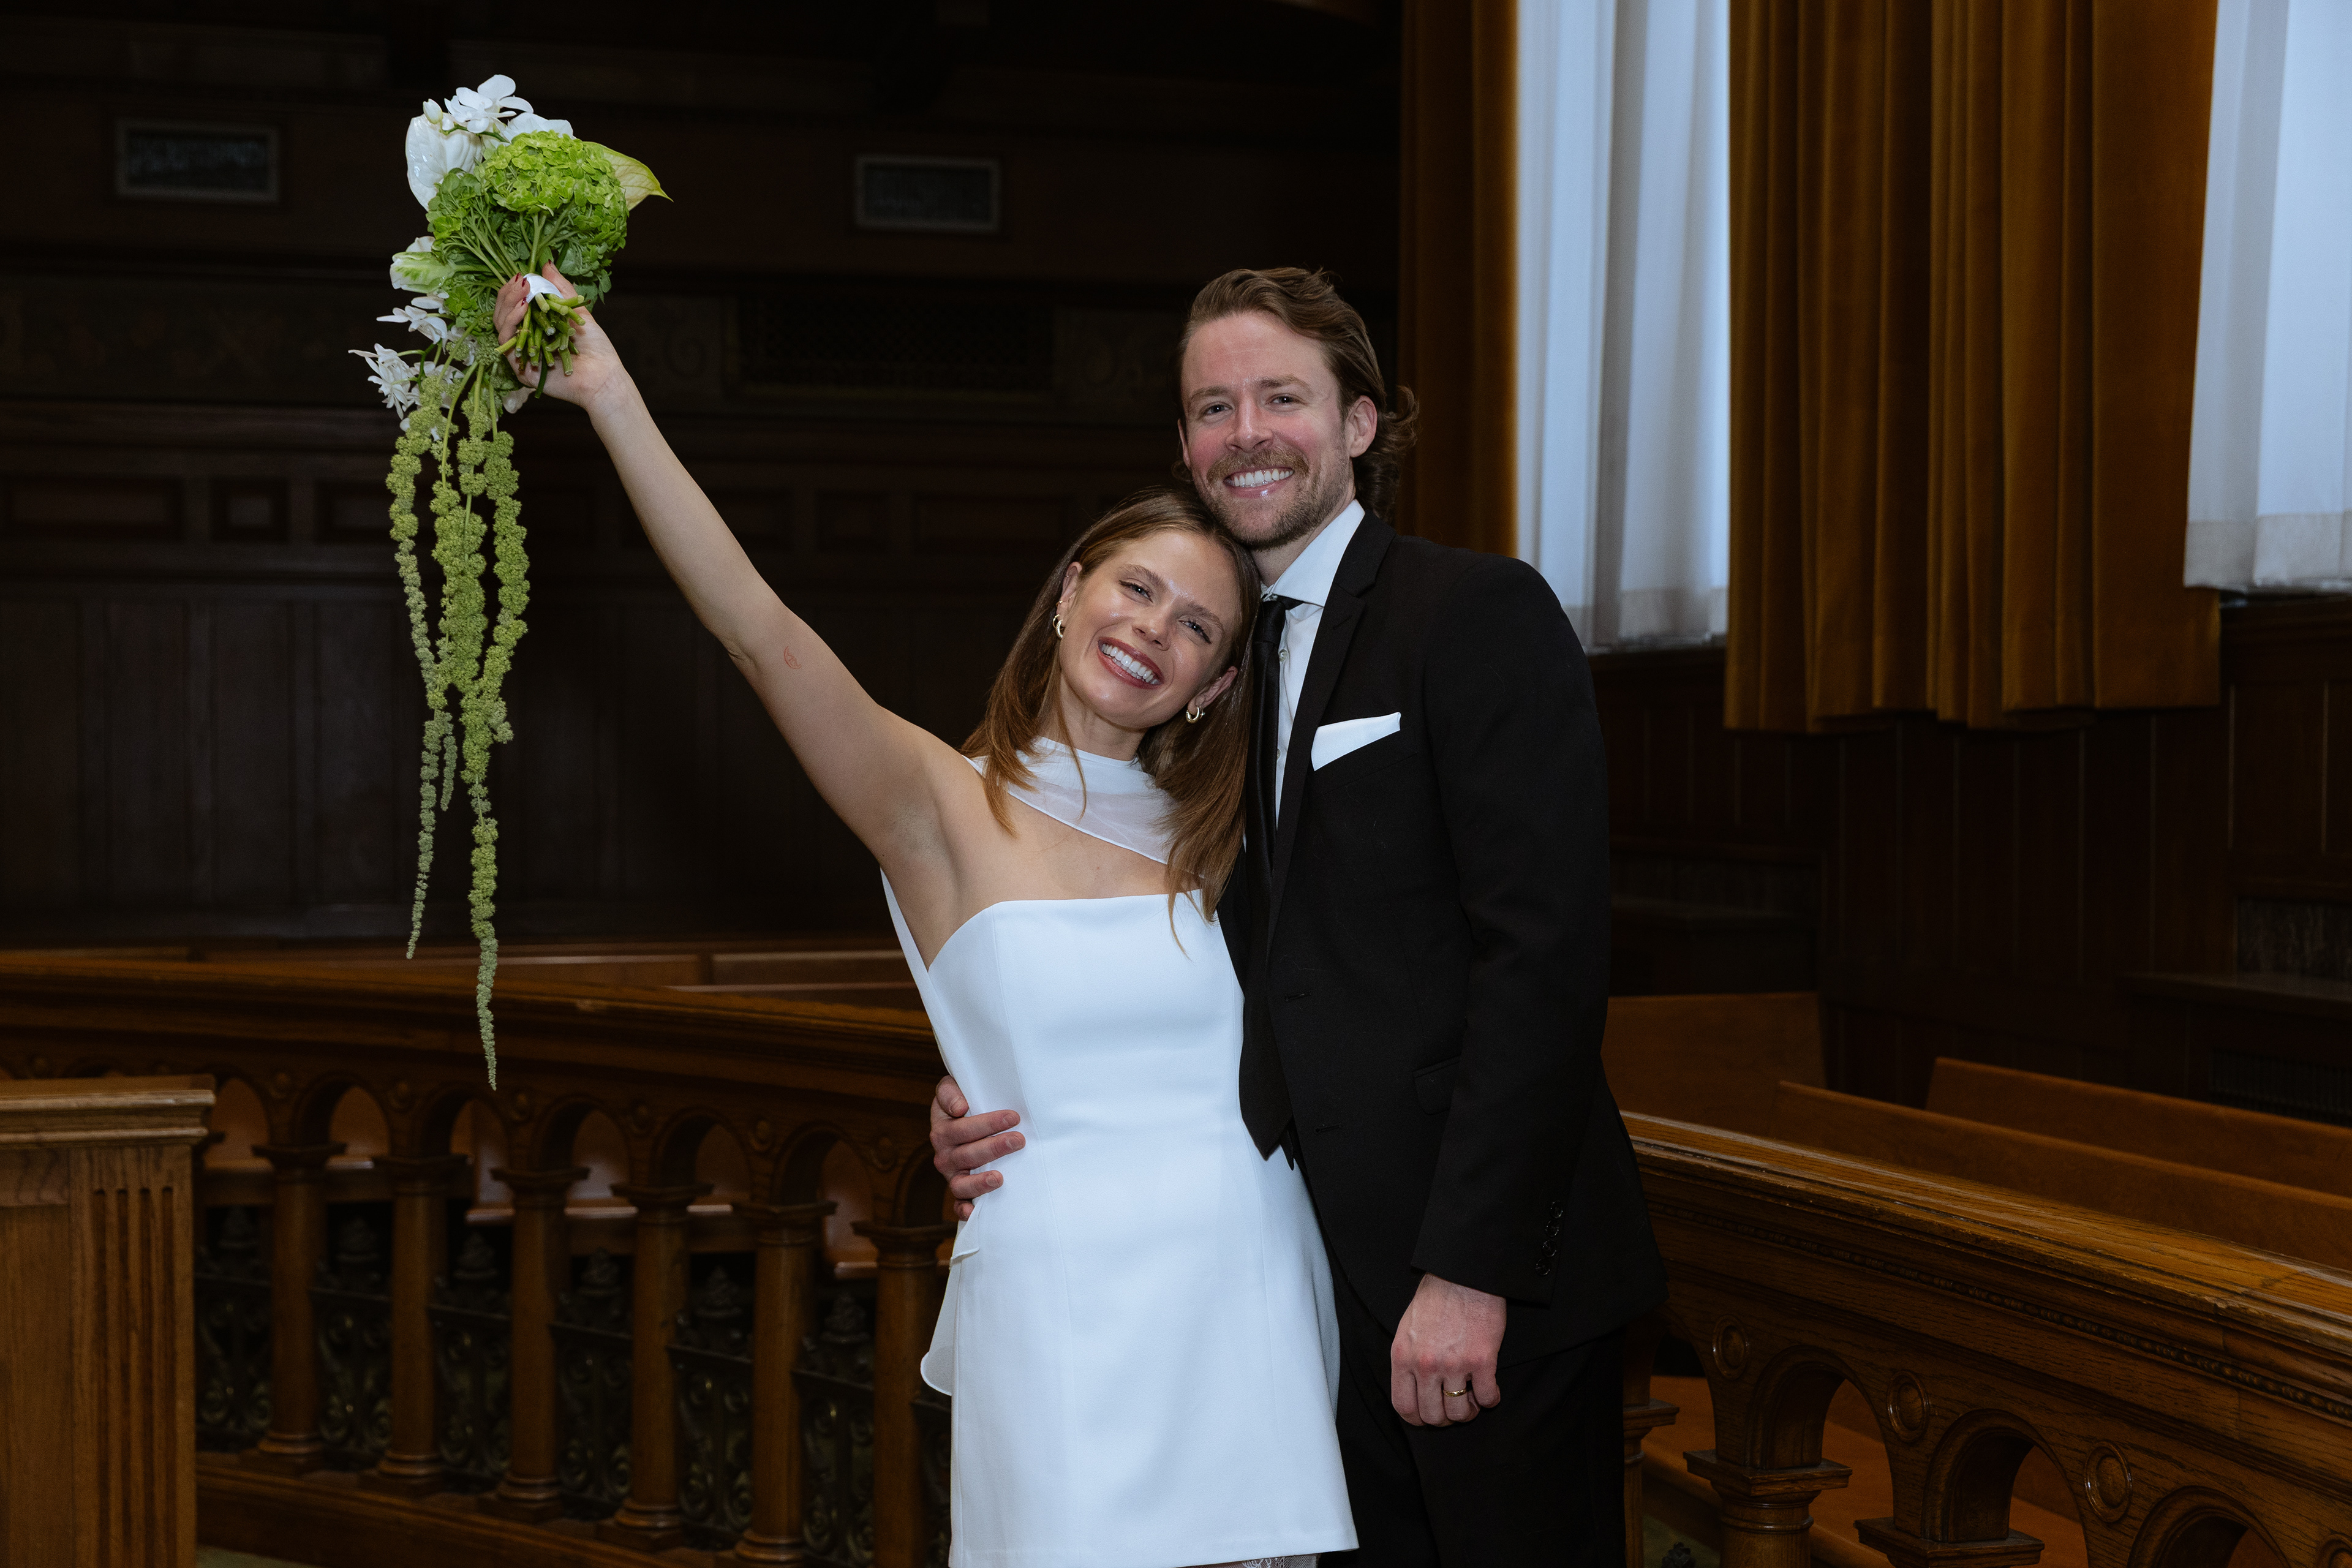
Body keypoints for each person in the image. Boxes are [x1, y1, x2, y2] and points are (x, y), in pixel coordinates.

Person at [495, 266, 1355, 1568]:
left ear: (1212, 685)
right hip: (1061, 1303)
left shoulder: (1230, 838)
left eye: (1195, 628)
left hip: (1247, 1292)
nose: (1151, 632)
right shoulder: (933, 802)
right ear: (1072, 588)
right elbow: (758, 634)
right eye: (1135, 589)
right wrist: (608, 393)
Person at [931, 268, 1667, 1566]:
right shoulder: (1199, 685)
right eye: (1213, 406)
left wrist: (1469, 1271)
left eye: (1282, 396)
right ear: (1182, 446)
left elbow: (1542, 961)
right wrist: (986, 1084)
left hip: (1480, 1288)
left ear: (1364, 424)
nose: (1247, 431)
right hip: (1309, 1285)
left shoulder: (1470, 611)